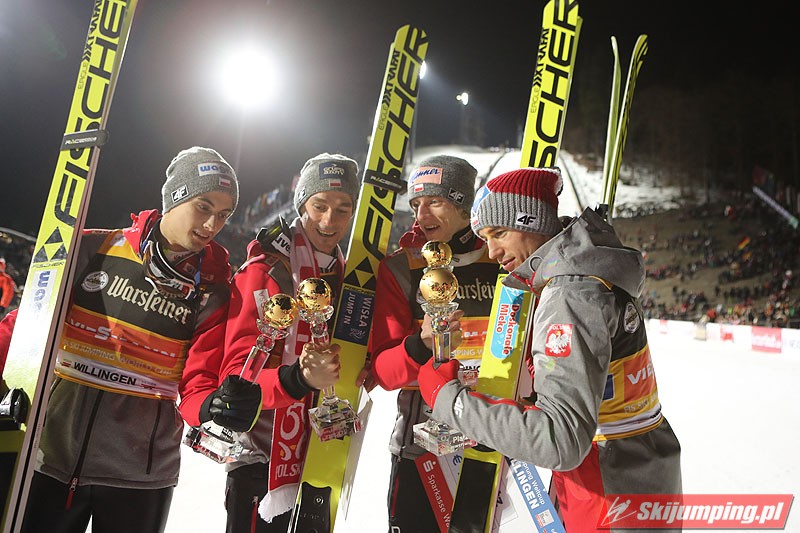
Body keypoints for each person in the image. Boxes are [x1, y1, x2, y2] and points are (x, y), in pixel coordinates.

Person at [418, 167, 682, 532]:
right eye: (485, 238)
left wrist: (449, 399)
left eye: (499, 233)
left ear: (532, 220)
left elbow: (562, 441)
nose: (492, 251)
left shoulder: (570, 294)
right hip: (637, 477)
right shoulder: (591, 270)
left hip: (605, 495)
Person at [21, 146, 246, 533]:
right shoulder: (92, 249)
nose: (212, 224)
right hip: (51, 455)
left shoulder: (211, 291)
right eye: (204, 206)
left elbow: (196, 385)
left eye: (224, 215)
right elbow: (25, 326)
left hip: (141, 475)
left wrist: (214, 405)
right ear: (174, 198)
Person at [204, 153, 359, 532]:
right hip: (261, 461)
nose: (329, 220)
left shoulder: (349, 277)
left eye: (342, 209)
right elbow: (237, 374)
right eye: (319, 206)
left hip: (322, 456)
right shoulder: (265, 270)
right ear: (301, 204)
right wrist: (299, 379)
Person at [368, 155, 500, 531]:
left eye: (434, 202)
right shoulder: (402, 268)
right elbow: (383, 372)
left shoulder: (501, 260)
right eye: (416, 204)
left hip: (491, 443)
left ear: (464, 206)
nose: (421, 215)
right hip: (422, 450)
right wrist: (420, 345)